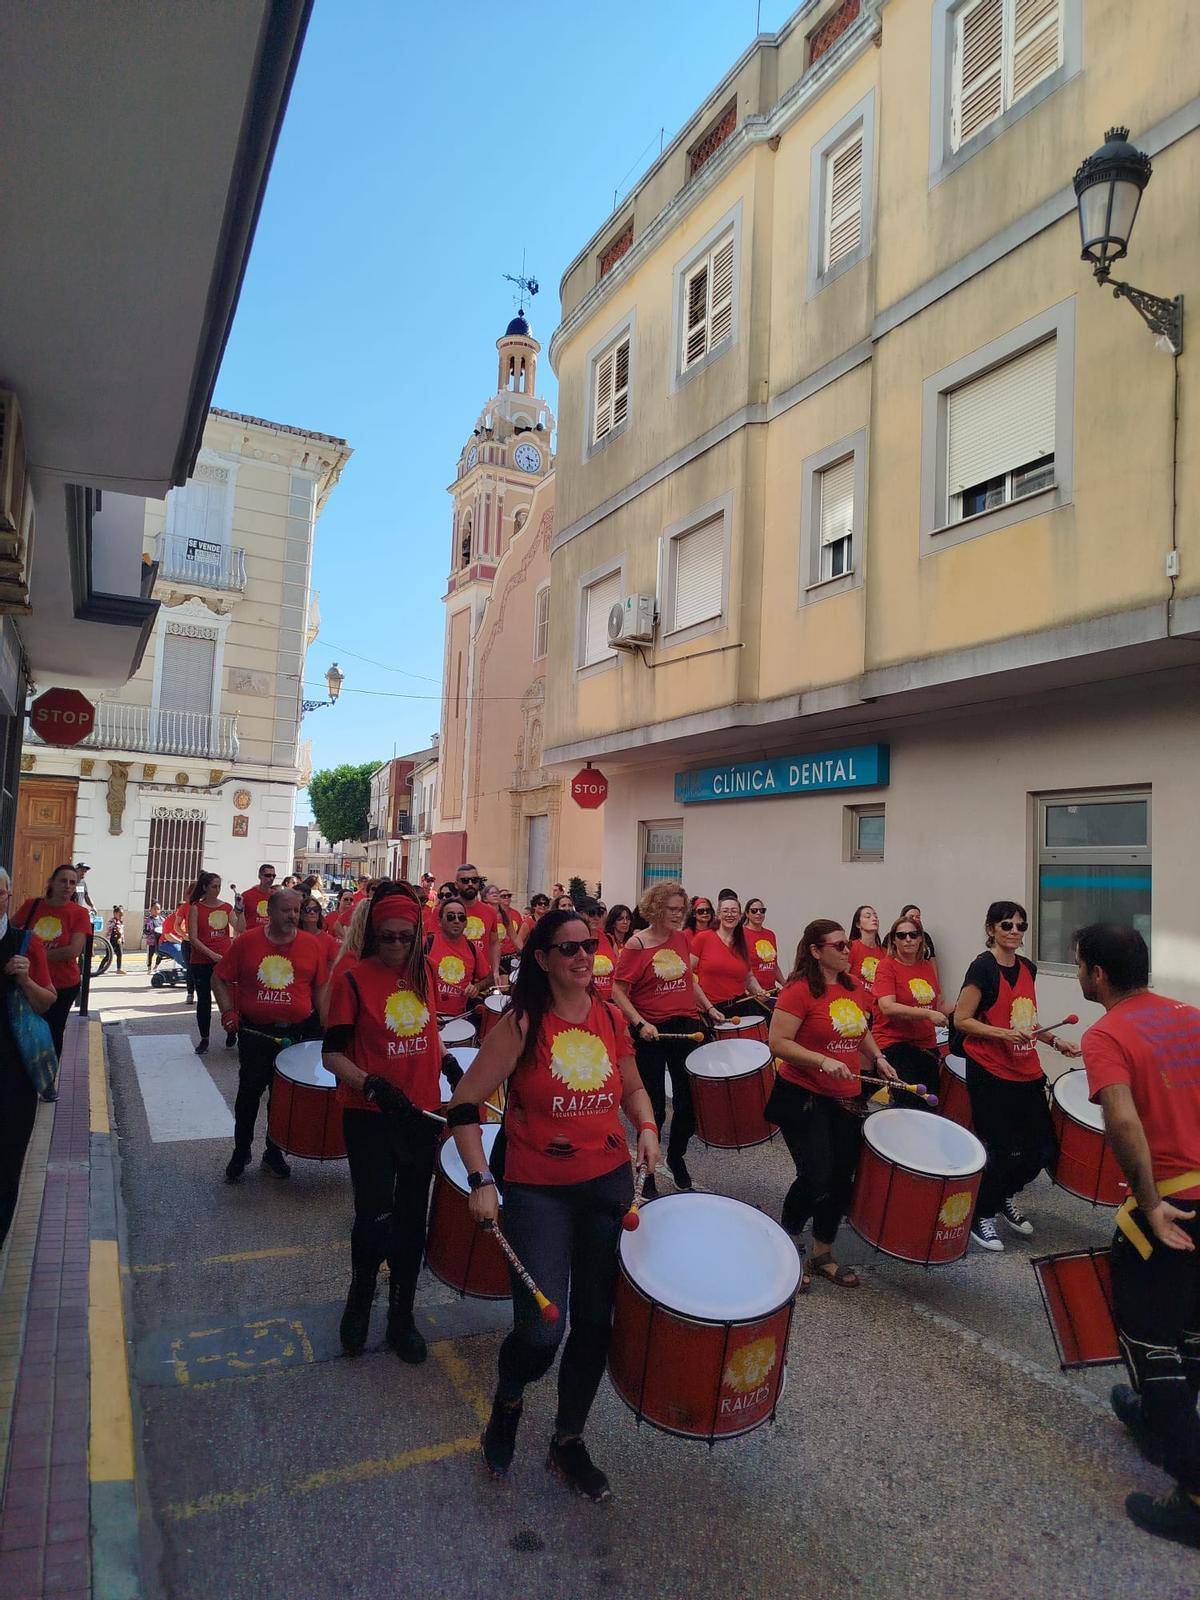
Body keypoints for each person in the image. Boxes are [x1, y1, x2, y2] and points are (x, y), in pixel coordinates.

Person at [446, 907, 658, 1499]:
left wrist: (645, 1124)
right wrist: (480, 1177)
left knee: (595, 1325)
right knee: (543, 1330)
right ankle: (510, 1397)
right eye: (567, 949)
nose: (583, 956)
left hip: (606, 1185)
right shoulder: (521, 1025)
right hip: (537, 1191)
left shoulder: (612, 1019)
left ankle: (567, 1441)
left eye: (588, 945)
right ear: (541, 960)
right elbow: (463, 1105)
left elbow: (634, 1086)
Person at [1074, 924, 1200, 1549]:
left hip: (1173, 1207)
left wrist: (1151, 1205)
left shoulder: (1106, 1034)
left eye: (1078, 965)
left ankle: (1195, 1493)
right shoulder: (1192, 1016)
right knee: (1193, 1329)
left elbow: (1123, 1120)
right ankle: (1157, 1420)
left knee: (1151, 1344)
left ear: (1095, 973)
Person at [324, 886, 454, 1365]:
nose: (397, 946)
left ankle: (403, 1313)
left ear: (418, 934)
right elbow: (332, 1054)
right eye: (387, 937)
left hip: (420, 1114)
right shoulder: (353, 980)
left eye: (405, 937)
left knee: (411, 1218)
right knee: (374, 1215)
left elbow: (428, 1031)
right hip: (371, 1116)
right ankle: (360, 1298)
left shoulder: (427, 974)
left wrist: (448, 1063)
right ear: (373, 934)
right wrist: (372, 1084)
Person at [767, 919, 898, 1289]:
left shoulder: (853, 986)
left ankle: (823, 1252)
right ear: (815, 951)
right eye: (839, 946)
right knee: (815, 1174)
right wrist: (821, 1060)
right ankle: (787, 1241)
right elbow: (777, 1042)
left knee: (842, 1177)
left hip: (845, 1097)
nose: (847, 951)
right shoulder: (797, 991)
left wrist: (879, 1057)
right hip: (803, 1096)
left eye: (847, 945)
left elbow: (860, 1028)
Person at [953, 900, 1078, 1252]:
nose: (1014, 931)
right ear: (991, 928)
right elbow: (962, 1020)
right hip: (990, 1073)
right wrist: (1003, 1035)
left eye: (1020, 926)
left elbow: (1025, 1019)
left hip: (1026, 1070)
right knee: (1004, 1150)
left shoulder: (1027, 967)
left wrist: (1054, 1040)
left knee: (1042, 1150)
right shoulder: (982, 969)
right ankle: (981, 1214)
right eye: (1006, 925)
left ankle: (1001, 1195)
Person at [213, 888, 332, 1182]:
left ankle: (273, 1151)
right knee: (249, 1094)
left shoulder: (312, 945)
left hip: (296, 1034)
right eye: (287, 910)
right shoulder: (247, 941)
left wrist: (330, 1028)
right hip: (256, 1033)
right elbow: (219, 977)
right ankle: (241, 1152)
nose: (293, 916)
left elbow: (320, 989)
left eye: (297, 910)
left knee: (283, 1099)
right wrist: (228, 1012)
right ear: (271, 911)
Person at [613, 881, 723, 1195]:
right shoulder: (637, 943)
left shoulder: (681, 939)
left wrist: (709, 1007)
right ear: (656, 909)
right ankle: (646, 1170)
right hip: (651, 1030)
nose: (678, 915)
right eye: (672, 909)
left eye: (681, 909)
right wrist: (639, 1022)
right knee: (655, 1107)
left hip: (686, 1025)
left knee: (690, 1105)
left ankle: (676, 1156)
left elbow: (689, 979)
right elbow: (619, 990)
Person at [0, 866, 57, 1247]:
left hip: (12, 1076)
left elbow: (46, 1001)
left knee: (6, 1166)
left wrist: (24, 979)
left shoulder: (25, 942)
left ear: (7, 896)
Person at [15, 864, 92, 1067]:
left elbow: (73, 950)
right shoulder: (32, 906)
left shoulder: (79, 914)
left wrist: (36, 957)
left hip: (63, 984)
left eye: (72, 882)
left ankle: (48, 1078)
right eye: (63, 881)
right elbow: (10, 933)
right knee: (25, 1028)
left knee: (53, 1031)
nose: (67, 886)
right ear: (51, 882)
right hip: (29, 981)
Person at [872, 914, 948, 1109]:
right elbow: (887, 1006)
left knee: (931, 1103)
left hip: (926, 1043)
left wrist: (964, 1010)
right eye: (902, 935)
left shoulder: (926, 966)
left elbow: (937, 1005)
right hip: (895, 1043)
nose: (908, 939)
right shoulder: (886, 966)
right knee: (910, 1104)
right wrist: (928, 1015)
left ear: (921, 938)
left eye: (913, 935)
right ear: (894, 940)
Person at [690, 892, 769, 1019]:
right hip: (712, 1009)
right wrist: (708, 1007)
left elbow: (748, 977)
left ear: (740, 915)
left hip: (740, 1006)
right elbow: (687, 974)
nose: (730, 915)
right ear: (718, 914)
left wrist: (759, 991)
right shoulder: (703, 938)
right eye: (725, 911)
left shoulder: (742, 942)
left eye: (734, 911)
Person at [186, 873, 236, 1054]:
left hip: (224, 959)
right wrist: (212, 955)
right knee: (204, 1000)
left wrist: (240, 910)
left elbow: (239, 927)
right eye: (214, 886)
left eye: (219, 887)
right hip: (201, 961)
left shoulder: (226, 907)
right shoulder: (196, 908)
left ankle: (231, 1029)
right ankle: (204, 1038)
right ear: (205, 887)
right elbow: (193, 938)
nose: (217, 890)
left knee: (228, 999)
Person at [427, 895, 489, 1018]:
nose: (456, 921)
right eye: (450, 916)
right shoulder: (427, 944)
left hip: (458, 1018)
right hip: (427, 1018)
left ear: (465, 923)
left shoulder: (472, 949)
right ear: (439, 922)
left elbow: (488, 978)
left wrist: (477, 987)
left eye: (461, 917)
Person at [455, 863, 501, 987]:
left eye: (474, 880)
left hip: (482, 980)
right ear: (456, 884)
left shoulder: (490, 911)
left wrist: (495, 971)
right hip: (453, 977)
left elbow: (494, 942)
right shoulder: (443, 910)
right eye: (465, 880)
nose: (470, 884)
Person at [580, 899, 615, 1001]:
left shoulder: (609, 938)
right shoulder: (576, 940)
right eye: (591, 913)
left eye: (599, 914)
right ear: (581, 914)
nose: (596, 917)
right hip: (587, 999)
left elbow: (618, 968)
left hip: (610, 1000)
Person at [743, 897, 781, 991]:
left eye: (762, 910)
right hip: (753, 992)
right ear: (747, 914)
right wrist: (756, 990)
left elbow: (774, 965)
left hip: (771, 990)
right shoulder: (742, 934)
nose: (759, 913)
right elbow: (742, 967)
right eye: (754, 911)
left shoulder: (770, 934)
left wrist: (786, 984)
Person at [848, 906, 883, 992]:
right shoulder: (851, 947)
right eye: (868, 916)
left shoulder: (885, 953)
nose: (874, 918)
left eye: (876, 916)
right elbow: (842, 976)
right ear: (858, 924)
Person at [300, 896, 342, 966]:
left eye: (315, 909)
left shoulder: (329, 940)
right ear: (301, 914)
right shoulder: (294, 938)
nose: (312, 912)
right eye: (308, 909)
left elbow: (333, 967)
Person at [237, 865, 278, 934]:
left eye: (273, 876)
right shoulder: (247, 895)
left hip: (270, 936)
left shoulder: (276, 896)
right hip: (251, 936)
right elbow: (238, 918)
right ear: (260, 876)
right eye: (268, 875)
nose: (271, 878)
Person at [144, 903, 165, 972]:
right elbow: (146, 930)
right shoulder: (148, 919)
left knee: (160, 954)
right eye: (154, 908)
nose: (156, 910)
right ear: (151, 910)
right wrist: (150, 931)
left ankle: (156, 966)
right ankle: (149, 967)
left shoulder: (162, 919)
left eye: (158, 909)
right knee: (150, 954)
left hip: (160, 940)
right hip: (152, 941)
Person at [106, 906, 125, 974]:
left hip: (118, 940)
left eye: (122, 915)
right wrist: (115, 923)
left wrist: (122, 938)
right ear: (115, 913)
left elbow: (121, 931)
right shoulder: (112, 921)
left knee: (119, 954)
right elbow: (110, 928)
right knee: (108, 956)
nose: (121, 916)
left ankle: (118, 969)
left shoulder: (120, 921)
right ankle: (101, 968)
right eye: (120, 914)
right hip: (111, 940)